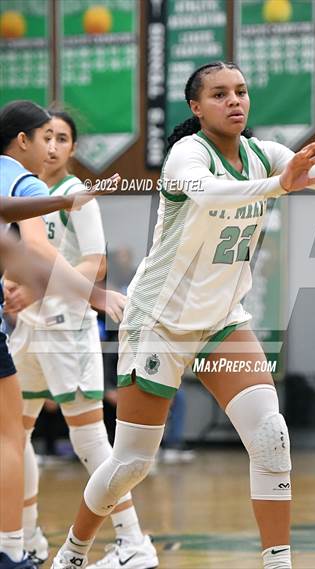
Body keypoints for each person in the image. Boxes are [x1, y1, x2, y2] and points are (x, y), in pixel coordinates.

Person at [51, 62, 315, 569]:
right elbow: (211, 192)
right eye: (220, 94)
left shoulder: (264, 154)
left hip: (222, 321)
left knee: (271, 434)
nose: (235, 101)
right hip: (158, 322)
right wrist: (280, 187)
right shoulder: (186, 155)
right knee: (132, 463)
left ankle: (278, 561)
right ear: (197, 107)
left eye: (241, 91)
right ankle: (74, 551)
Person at [6, 109, 158, 569]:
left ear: (73, 149)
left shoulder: (77, 197)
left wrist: (38, 287)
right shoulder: (20, 193)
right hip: (27, 330)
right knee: (16, 435)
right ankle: (28, 541)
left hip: (67, 330)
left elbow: (97, 265)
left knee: (90, 441)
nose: (52, 146)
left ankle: (133, 542)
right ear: (28, 141)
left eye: (62, 139)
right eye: (46, 137)